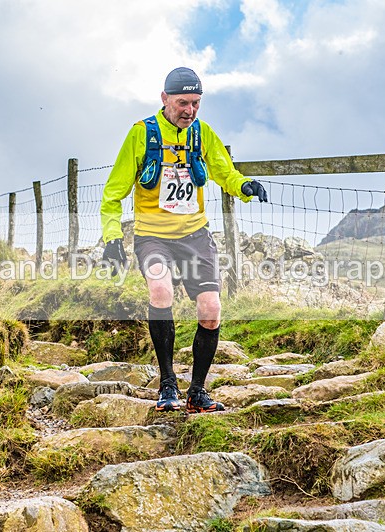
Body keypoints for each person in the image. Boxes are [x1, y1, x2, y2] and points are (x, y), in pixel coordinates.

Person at [100, 67, 268, 413]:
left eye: (195, 103)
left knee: (210, 310)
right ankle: (167, 384)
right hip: (152, 236)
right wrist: (112, 237)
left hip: (195, 235)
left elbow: (225, 172)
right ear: (165, 99)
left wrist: (245, 187)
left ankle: (197, 391)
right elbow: (113, 193)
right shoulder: (141, 134)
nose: (189, 110)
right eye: (182, 103)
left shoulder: (202, 133)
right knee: (161, 291)